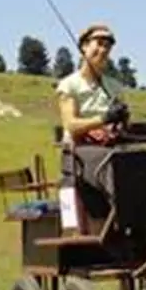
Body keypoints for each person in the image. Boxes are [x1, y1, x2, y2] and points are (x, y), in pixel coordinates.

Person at [55, 23, 128, 220]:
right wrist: (103, 119)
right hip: (80, 151)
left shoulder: (114, 86)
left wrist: (119, 124)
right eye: (99, 43)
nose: (103, 50)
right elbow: (70, 125)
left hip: (112, 146)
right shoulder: (69, 85)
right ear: (84, 47)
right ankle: (123, 220)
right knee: (113, 166)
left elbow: (121, 124)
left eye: (108, 46)